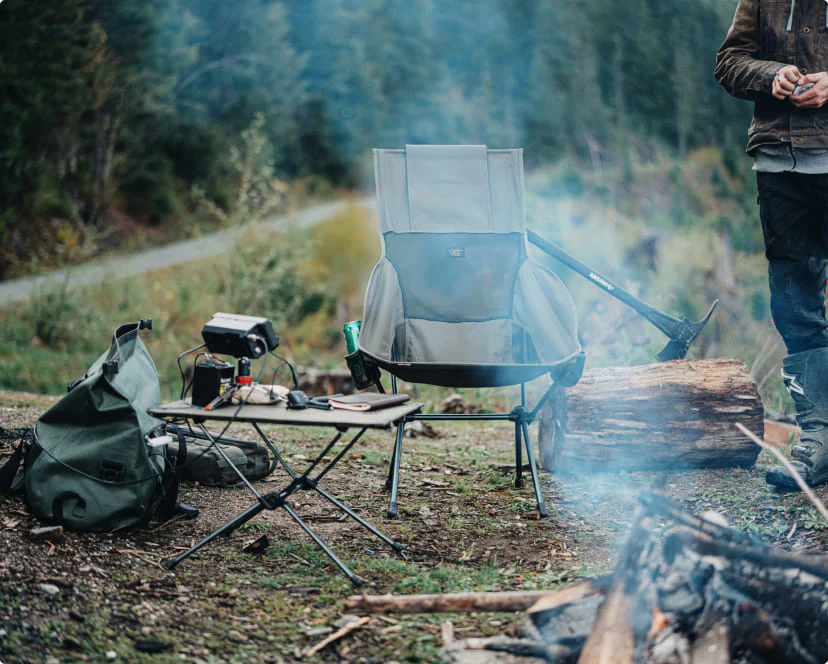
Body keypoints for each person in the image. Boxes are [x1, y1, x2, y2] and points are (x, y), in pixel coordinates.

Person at [716, 0, 828, 489]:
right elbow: (730, 62)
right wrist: (772, 76)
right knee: (794, 306)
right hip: (780, 166)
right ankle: (819, 441)